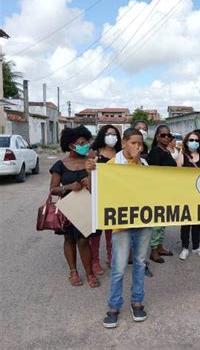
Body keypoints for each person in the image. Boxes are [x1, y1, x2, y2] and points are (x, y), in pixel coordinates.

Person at [87, 128, 153, 328]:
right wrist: (90, 172)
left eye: (140, 144)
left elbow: (149, 189)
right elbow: (98, 191)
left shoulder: (144, 164)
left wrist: (138, 161)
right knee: (118, 267)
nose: (137, 147)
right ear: (124, 143)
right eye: (133, 143)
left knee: (140, 263)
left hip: (142, 221)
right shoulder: (111, 165)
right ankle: (114, 305)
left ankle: (137, 301)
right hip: (121, 224)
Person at [49, 126, 100, 288]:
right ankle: (73, 271)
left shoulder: (91, 163)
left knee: (84, 240)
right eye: (82, 143)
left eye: (87, 142)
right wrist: (69, 186)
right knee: (69, 239)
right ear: (71, 145)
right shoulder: (60, 165)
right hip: (68, 207)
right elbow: (53, 189)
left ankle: (90, 272)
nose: (87, 145)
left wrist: (91, 177)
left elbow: (101, 185)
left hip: (86, 206)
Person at [89, 125, 122, 273]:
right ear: (102, 135)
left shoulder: (120, 153)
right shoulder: (94, 153)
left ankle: (111, 256)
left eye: (115, 134)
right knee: (96, 230)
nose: (112, 137)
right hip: (97, 195)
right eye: (108, 134)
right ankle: (95, 260)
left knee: (112, 229)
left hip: (115, 196)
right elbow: (88, 174)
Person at [176, 132, 200, 260]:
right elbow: (177, 176)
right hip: (185, 193)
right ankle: (184, 247)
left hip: (199, 194)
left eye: (196, 140)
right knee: (186, 222)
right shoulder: (181, 156)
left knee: (197, 221)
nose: (194, 142)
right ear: (186, 141)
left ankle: (196, 246)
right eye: (191, 140)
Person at [146, 125, 176, 263]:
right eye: (163, 135)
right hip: (157, 192)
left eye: (168, 135)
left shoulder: (166, 151)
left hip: (167, 191)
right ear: (157, 136)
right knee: (157, 223)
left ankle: (160, 247)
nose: (166, 138)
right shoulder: (155, 152)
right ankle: (153, 251)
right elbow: (154, 175)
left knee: (163, 221)